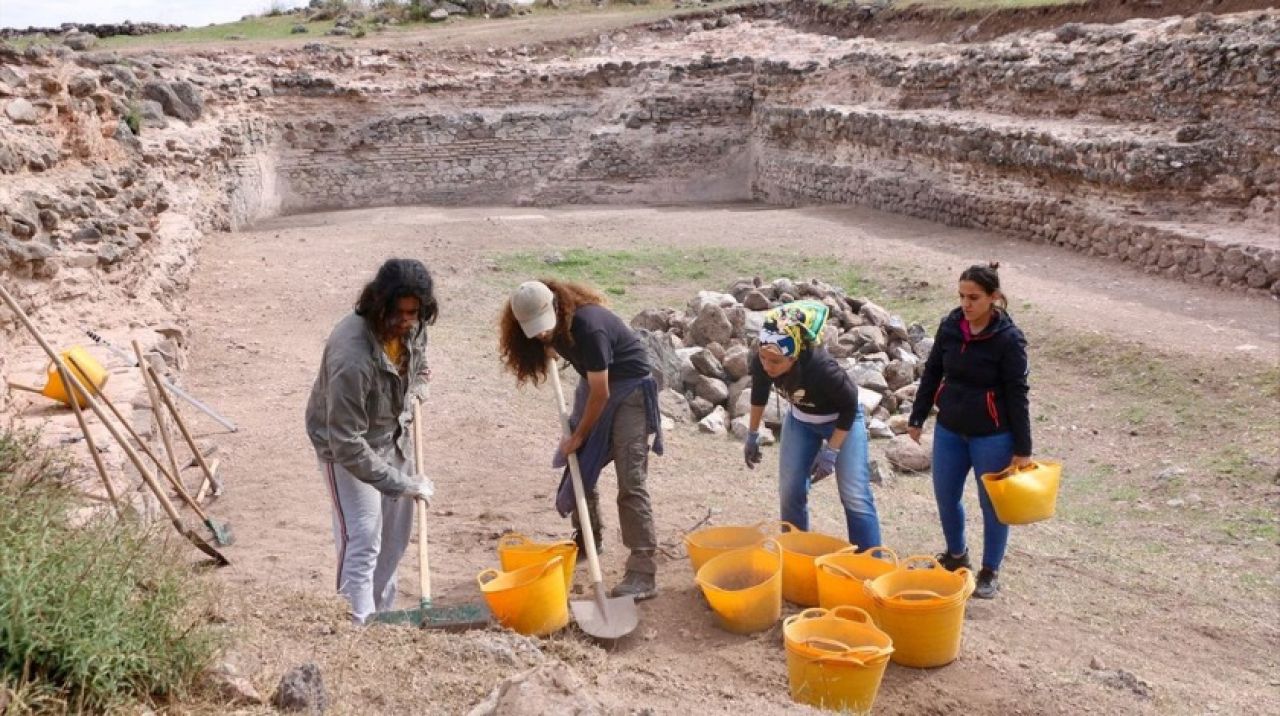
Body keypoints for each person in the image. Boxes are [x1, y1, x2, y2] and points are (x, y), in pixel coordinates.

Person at [499, 279, 663, 601]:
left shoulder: (590, 328)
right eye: (535, 330)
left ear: (557, 307)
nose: (543, 334)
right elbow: (592, 385)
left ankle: (643, 573)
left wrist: (578, 435)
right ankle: (589, 540)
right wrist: (548, 343)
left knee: (630, 482)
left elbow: (601, 394)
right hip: (595, 386)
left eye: (545, 326)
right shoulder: (554, 330)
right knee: (579, 469)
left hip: (629, 390)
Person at [305, 258, 437, 624]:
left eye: (415, 312)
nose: (408, 321)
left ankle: (381, 619)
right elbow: (347, 441)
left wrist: (419, 386)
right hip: (344, 447)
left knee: (393, 541)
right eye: (400, 313)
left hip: (392, 436)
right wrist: (403, 483)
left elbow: (420, 361)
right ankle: (356, 624)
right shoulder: (352, 357)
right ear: (379, 304)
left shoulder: (413, 325)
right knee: (362, 537)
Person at [907, 262, 1031, 600]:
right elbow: (933, 371)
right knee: (946, 496)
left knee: (992, 506)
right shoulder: (951, 325)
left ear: (994, 298)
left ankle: (990, 571)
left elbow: (1018, 393)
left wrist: (1023, 449)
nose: (966, 304)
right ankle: (956, 554)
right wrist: (918, 416)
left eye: (974, 297)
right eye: (962, 296)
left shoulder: (1009, 339)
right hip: (950, 430)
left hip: (993, 435)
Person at [743, 300, 882, 550]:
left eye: (775, 361)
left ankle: (869, 564)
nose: (767, 365)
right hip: (800, 421)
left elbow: (850, 407)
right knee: (790, 490)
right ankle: (796, 553)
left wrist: (832, 451)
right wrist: (752, 433)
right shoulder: (765, 357)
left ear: (794, 355)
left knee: (855, 494)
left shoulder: (822, 369)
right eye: (763, 358)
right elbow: (759, 394)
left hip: (841, 422)